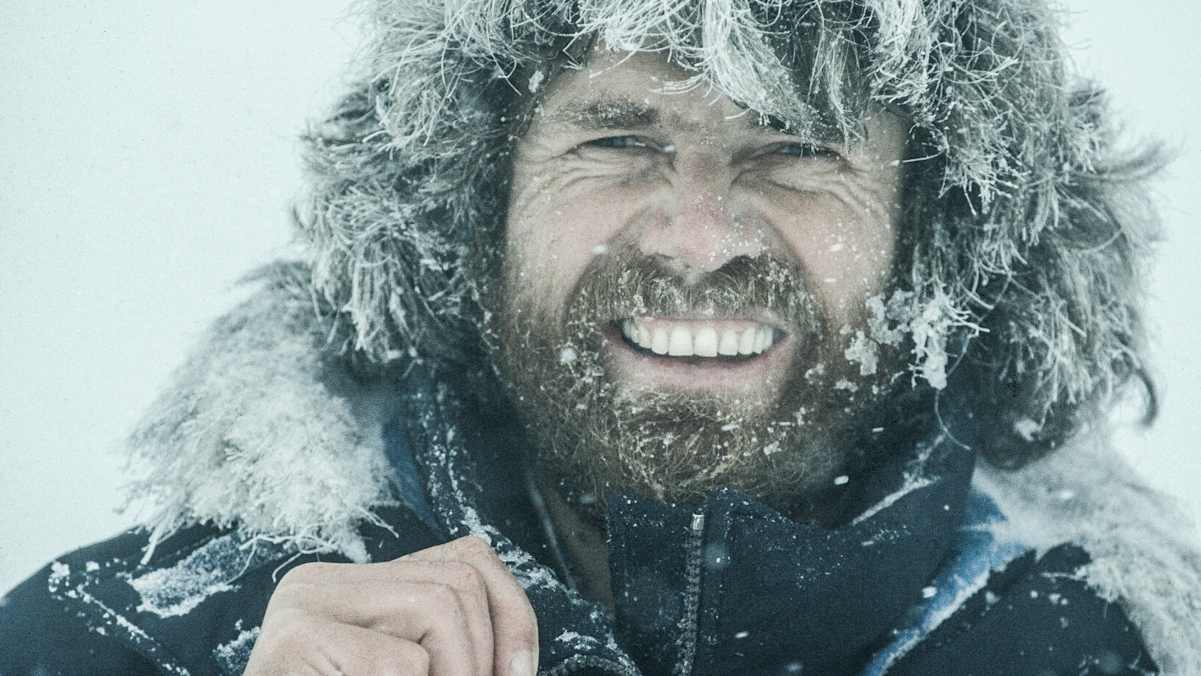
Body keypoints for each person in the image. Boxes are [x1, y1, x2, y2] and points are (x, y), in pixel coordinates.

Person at [3, 0, 1200, 674]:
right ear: (474, 207)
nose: (695, 239)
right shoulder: (127, 642)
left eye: (794, 149)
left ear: (933, 233)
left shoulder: (1120, 652)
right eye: (617, 143)